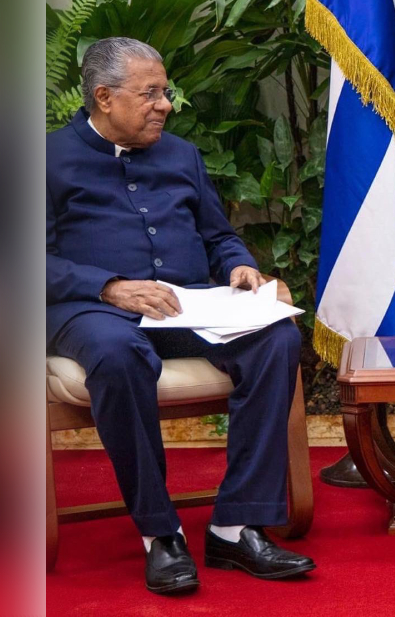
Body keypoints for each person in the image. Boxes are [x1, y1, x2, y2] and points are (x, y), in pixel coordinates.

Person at [47, 37, 315, 595]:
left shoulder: (181, 154)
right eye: (151, 94)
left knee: (276, 338)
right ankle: (160, 533)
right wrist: (110, 286)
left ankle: (235, 526)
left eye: (164, 93)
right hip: (90, 311)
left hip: (190, 305)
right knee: (118, 355)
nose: (165, 105)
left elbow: (218, 236)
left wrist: (241, 268)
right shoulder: (44, 160)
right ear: (103, 97)